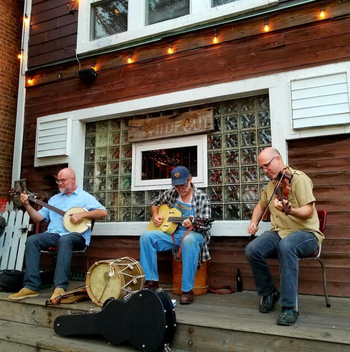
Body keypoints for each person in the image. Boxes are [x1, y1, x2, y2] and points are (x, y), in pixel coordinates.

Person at [245, 147, 324, 326]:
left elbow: (309, 211)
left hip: (306, 234)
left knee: (287, 246)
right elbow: (260, 206)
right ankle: (269, 292)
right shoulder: (272, 185)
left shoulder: (299, 179)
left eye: (267, 165)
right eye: (262, 168)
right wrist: (253, 222)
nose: (265, 171)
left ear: (278, 159)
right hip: (280, 233)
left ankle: (289, 306)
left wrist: (290, 209)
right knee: (252, 249)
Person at [9, 168, 107, 301]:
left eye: (63, 180)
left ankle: (60, 287)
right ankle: (31, 286)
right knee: (33, 240)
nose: (60, 183)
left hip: (76, 236)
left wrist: (82, 214)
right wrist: (27, 205)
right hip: (54, 235)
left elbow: (103, 212)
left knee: (65, 239)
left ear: (73, 180)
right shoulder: (54, 199)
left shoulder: (85, 197)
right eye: (58, 180)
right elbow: (38, 218)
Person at [140, 166, 212, 304]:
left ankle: (187, 290)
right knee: (146, 237)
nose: (180, 189)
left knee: (189, 241)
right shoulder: (172, 193)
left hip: (194, 234)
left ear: (190, 180)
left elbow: (206, 224)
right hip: (173, 233)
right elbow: (154, 203)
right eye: (177, 186)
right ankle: (152, 283)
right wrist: (155, 215)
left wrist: (192, 223)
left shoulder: (201, 197)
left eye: (183, 185)